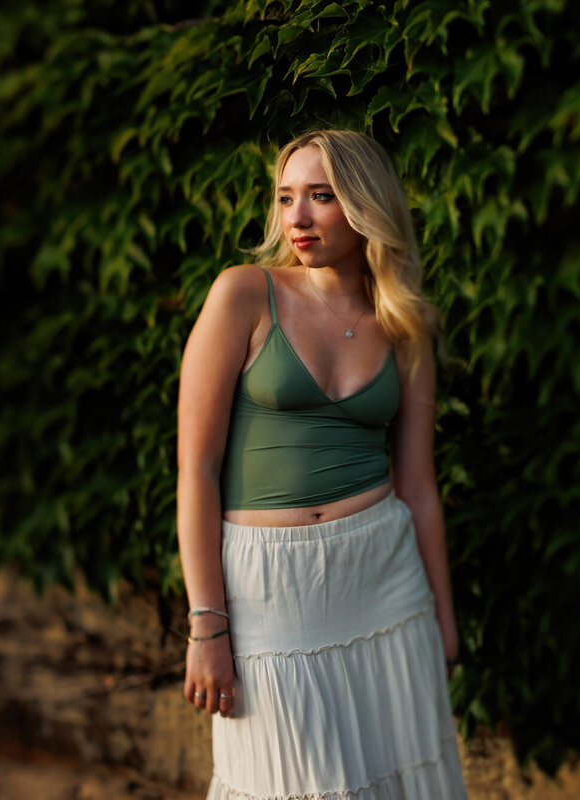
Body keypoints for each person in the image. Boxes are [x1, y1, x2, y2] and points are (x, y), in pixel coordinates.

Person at [176, 130, 468, 799]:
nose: (297, 218)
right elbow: (196, 470)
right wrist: (206, 625)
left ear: (366, 206)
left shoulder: (406, 321)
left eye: (321, 196)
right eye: (285, 198)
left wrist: (443, 625)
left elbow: (419, 489)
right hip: (269, 590)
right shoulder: (244, 295)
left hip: (385, 579)